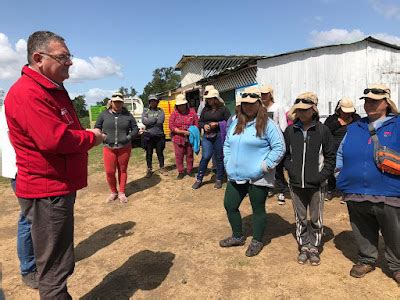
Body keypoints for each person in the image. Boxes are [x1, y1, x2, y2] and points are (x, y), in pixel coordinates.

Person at [5, 31, 104, 299]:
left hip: (55, 187)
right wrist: (91, 138)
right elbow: (55, 139)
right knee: (54, 269)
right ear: (38, 58)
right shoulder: (28, 93)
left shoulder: (49, 88)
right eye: (63, 57)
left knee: (59, 261)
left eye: (69, 56)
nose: (70, 62)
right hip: (47, 190)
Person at [336, 84, 400, 285]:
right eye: (367, 101)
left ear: (386, 103)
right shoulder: (354, 127)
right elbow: (340, 152)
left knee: (394, 231)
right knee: (362, 227)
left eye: (375, 101)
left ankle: (397, 266)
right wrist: (339, 173)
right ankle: (366, 258)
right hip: (355, 189)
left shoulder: (397, 125)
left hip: (388, 189)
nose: (369, 104)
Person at [220, 86, 285, 256]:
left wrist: (264, 167)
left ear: (259, 103)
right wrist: (227, 162)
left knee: (257, 208)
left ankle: (257, 240)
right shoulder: (235, 122)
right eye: (244, 104)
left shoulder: (268, 124)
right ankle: (237, 236)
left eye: (251, 103)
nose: (247, 107)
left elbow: (279, 147)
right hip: (235, 174)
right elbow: (227, 144)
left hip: (258, 177)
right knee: (230, 205)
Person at [283, 92, 335, 266]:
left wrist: (322, 176)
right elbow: (285, 155)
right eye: (299, 110)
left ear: (313, 110)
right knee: (300, 217)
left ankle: (314, 247)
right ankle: (304, 245)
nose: (302, 113)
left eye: (305, 110)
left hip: (317, 184)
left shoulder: (323, 130)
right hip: (296, 183)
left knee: (315, 217)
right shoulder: (290, 131)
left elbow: (330, 157)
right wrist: (291, 170)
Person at [1, 106, 38, 289]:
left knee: (33, 219)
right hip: (21, 172)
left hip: (22, 170)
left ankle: (35, 262)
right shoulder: (13, 105)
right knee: (28, 220)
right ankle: (28, 269)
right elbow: (15, 139)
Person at [95, 92, 138, 203]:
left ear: (122, 103)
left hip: (124, 147)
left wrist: (127, 137)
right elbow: (97, 128)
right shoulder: (103, 114)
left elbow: (135, 129)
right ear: (111, 102)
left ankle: (122, 192)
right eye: (115, 102)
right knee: (110, 172)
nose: (117, 104)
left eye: (119, 102)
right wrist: (102, 136)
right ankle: (113, 192)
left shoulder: (128, 115)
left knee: (122, 170)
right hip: (108, 147)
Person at [192, 88, 231, 190]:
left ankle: (219, 178)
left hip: (219, 135)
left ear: (215, 99)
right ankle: (199, 179)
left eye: (210, 99)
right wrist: (204, 126)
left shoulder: (224, 109)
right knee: (205, 156)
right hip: (207, 136)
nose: (208, 100)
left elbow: (230, 122)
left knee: (219, 157)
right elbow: (200, 122)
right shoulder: (205, 109)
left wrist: (218, 124)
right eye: (207, 99)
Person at [324, 98, 360, 200]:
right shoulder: (332, 120)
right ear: (339, 110)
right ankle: (330, 189)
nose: (347, 114)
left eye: (349, 112)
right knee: (332, 170)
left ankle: (346, 191)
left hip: (351, 149)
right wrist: (338, 123)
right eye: (345, 112)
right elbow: (326, 132)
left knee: (349, 170)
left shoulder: (357, 119)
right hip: (333, 149)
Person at [260, 85, 288, 205]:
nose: (263, 96)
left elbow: (283, 125)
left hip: (275, 141)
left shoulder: (278, 107)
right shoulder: (260, 108)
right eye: (262, 94)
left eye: (265, 94)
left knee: (278, 167)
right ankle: (268, 188)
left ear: (270, 94)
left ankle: (281, 190)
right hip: (263, 141)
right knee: (266, 166)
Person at [169, 94, 199, 179]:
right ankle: (181, 171)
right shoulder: (174, 114)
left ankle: (190, 170)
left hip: (190, 138)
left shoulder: (192, 112)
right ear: (177, 106)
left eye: (183, 105)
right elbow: (171, 126)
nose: (181, 107)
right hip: (178, 138)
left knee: (189, 154)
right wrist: (181, 131)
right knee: (179, 155)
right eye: (179, 105)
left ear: (186, 104)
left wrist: (192, 131)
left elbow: (196, 124)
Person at [142, 94, 166, 178]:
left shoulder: (161, 111)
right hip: (149, 136)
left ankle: (162, 167)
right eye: (151, 101)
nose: (153, 102)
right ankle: (149, 169)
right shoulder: (145, 111)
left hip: (159, 135)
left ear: (157, 102)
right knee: (149, 153)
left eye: (155, 101)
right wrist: (154, 120)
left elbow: (160, 122)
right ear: (149, 102)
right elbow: (144, 122)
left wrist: (149, 121)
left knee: (160, 152)